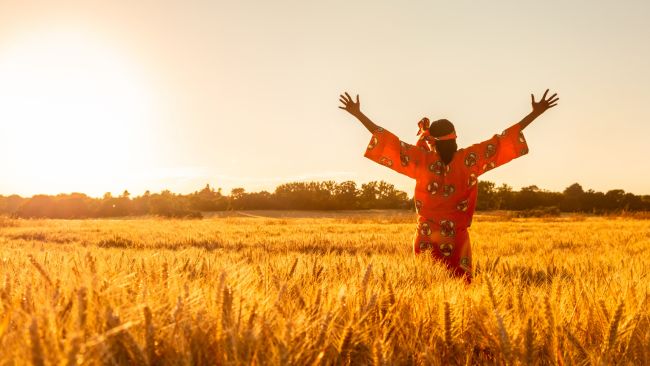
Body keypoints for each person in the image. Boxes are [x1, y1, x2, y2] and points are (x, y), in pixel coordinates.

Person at [338, 90, 559, 283]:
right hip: (456, 240)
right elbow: (502, 140)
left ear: (432, 140)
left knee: (424, 292)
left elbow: (385, 139)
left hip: (425, 236)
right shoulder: (469, 159)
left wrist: (358, 114)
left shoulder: (421, 160)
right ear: (455, 139)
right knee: (460, 291)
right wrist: (536, 113)